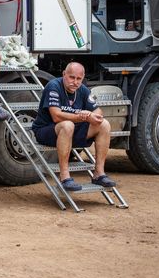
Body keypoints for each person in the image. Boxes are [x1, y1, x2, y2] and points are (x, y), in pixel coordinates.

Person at [31, 62, 117, 191]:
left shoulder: (82, 89)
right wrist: (82, 117)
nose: (75, 82)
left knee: (104, 124)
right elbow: (56, 116)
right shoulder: (53, 86)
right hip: (46, 130)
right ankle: (65, 177)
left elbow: (98, 112)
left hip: (71, 131)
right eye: (71, 77)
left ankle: (99, 174)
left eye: (78, 79)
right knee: (67, 125)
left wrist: (91, 115)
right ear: (64, 74)